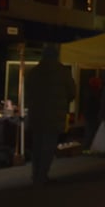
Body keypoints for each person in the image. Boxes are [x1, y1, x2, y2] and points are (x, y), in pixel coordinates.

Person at [25, 44, 76, 186]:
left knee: (37, 146)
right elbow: (72, 92)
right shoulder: (62, 71)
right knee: (48, 146)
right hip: (54, 116)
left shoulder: (34, 72)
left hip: (37, 115)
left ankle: (35, 175)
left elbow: (27, 90)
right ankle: (42, 176)